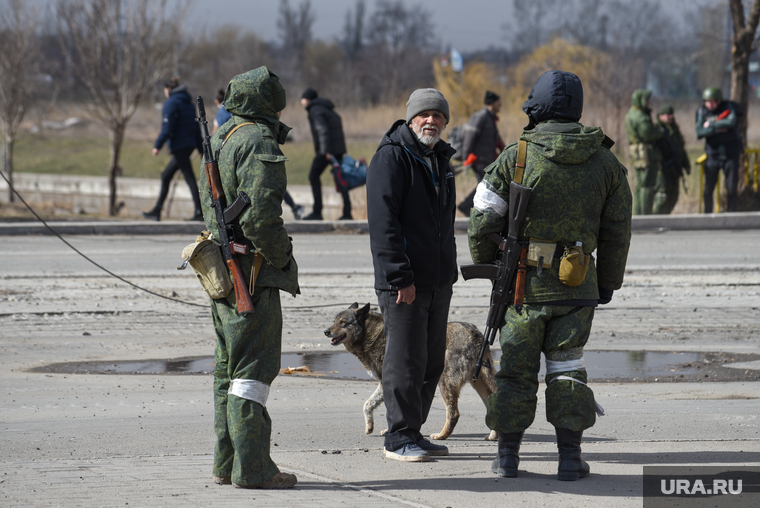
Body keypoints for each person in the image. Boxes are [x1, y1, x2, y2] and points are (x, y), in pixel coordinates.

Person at [467, 70, 632, 481]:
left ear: (536, 108)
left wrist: (493, 267)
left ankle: (507, 457)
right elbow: (617, 232)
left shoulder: (515, 156)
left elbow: (480, 220)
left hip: (523, 288)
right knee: (568, 369)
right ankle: (570, 459)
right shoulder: (607, 162)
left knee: (515, 372)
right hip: (578, 290)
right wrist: (608, 282)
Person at [200, 66, 299, 489]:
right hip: (251, 276)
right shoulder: (257, 141)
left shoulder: (222, 137)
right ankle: (254, 468)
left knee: (228, 370)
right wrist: (283, 257)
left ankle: (227, 463)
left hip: (223, 271)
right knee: (251, 373)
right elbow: (260, 217)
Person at [366, 88, 458, 462]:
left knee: (430, 362)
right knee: (403, 361)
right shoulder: (392, 158)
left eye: (438, 115)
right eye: (424, 114)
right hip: (404, 283)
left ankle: (414, 432)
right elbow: (384, 225)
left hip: (437, 281)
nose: (431, 120)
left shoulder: (439, 160)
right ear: (410, 118)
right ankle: (397, 438)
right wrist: (400, 277)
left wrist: (447, 274)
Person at [215, 88, 303, 220]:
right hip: (247, 149)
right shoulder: (238, 110)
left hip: (232, 153)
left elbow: (216, 133)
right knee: (269, 181)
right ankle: (292, 207)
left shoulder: (222, 113)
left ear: (218, 101)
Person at [143, 78, 204, 221]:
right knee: (169, 176)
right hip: (188, 146)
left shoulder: (171, 103)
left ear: (168, 89)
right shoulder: (189, 104)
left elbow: (167, 128)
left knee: (186, 177)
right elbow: (196, 128)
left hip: (179, 146)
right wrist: (200, 148)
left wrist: (157, 145)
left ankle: (198, 211)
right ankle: (157, 210)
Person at [300, 88, 351, 220]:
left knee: (313, 176)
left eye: (303, 99)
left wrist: (325, 151)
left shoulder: (315, 110)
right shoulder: (327, 108)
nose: (301, 102)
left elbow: (322, 130)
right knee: (341, 180)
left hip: (328, 151)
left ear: (308, 100)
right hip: (337, 149)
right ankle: (347, 213)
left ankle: (317, 212)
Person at [695, 86, 743, 213]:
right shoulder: (702, 111)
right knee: (708, 189)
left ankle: (731, 214)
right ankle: (708, 215)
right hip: (712, 155)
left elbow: (731, 122)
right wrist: (718, 129)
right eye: (707, 102)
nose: (709, 105)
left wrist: (711, 125)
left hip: (730, 154)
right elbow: (700, 132)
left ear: (718, 101)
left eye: (712, 102)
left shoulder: (728, 107)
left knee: (731, 188)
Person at [457, 90, 505, 216]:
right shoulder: (480, 117)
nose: (500, 105)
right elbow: (469, 137)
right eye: (498, 103)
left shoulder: (490, 118)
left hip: (488, 160)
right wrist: (467, 157)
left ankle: (469, 208)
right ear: (492, 103)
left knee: (484, 185)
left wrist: (505, 152)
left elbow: (497, 139)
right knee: (484, 186)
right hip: (479, 160)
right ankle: (466, 207)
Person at [624, 89, 662, 215]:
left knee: (639, 185)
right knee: (647, 184)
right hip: (645, 152)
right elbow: (647, 134)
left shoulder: (630, 113)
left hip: (635, 151)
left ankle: (637, 214)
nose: (648, 103)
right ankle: (645, 215)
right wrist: (660, 131)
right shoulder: (640, 116)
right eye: (646, 100)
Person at [653, 104, 691, 214]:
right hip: (663, 169)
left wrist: (686, 164)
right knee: (662, 196)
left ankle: (665, 218)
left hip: (675, 168)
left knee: (674, 196)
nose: (669, 117)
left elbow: (681, 148)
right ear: (660, 116)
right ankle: (657, 218)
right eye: (666, 114)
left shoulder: (675, 129)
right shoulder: (657, 130)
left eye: (671, 114)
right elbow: (654, 149)